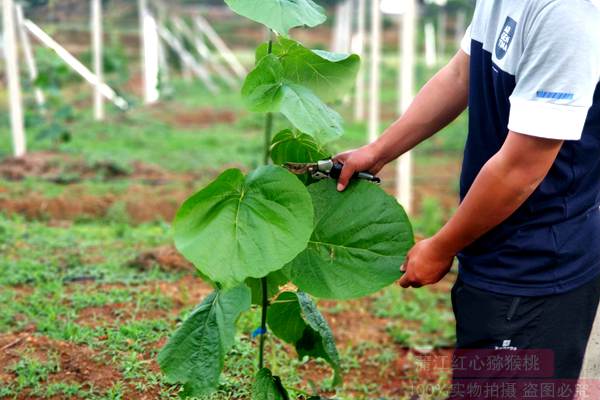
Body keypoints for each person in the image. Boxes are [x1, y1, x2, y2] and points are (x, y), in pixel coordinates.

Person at [334, 0, 600, 396]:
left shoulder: (566, 13)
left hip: (540, 265)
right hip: (494, 245)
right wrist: (379, 150)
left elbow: (521, 169)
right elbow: (461, 74)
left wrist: (442, 246)